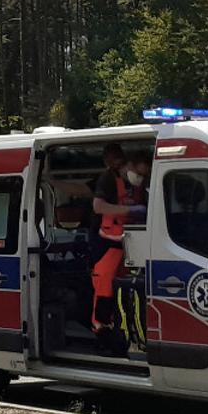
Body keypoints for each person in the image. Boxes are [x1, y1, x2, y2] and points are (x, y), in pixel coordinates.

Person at [89, 143, 148, 356]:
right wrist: (130, 210)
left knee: (128, 290)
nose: (140, 177)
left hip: (130, 244)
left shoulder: (139, 183)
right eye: (138, 171)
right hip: (107, 243)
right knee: (105, 288)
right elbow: (99, 206)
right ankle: (102, 333)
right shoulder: (108, 179)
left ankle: (125, 333)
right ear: (128, 164)